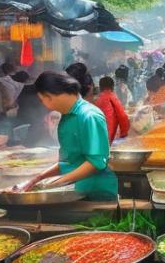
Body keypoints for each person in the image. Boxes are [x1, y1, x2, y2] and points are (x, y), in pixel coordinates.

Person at [15, 71, 116, 200]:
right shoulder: (67, 116)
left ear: (49, 96)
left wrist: (56, 183)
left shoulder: (89, 116)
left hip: (96, 193)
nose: (44, 104)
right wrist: (38, 178)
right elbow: (68, 161)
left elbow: (96, 163)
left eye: (42, 100)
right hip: (77, 191)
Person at [95, 76, 130, 143]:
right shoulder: (112, 97)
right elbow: (122, 116)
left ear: (100, 87)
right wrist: (124, 133)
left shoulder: (97, 100)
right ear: (112, 87)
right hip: (111, 136)